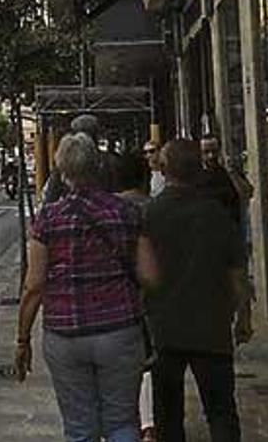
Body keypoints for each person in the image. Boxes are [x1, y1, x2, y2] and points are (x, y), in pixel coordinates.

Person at [16, 133, 159, 442]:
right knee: (122, 421)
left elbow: (34, 285)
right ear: (97, 166)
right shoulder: (127, 213)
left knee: (80, 428)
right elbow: (149, 275)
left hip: (65, 333)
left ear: (62, 172)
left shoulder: (48, 219)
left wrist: (22, 338)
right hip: (119, 330)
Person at [146, 140, 252, 442]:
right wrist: (243, 317)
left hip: (165, 330)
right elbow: (237, 274)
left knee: (167, 415)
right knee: (220, 412)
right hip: (212, 329)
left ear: (163, 170)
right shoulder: (216, 214)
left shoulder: (150, 213)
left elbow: (142, 273)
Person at [115, 152, 158, 442]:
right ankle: (150, 425)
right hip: (157, 301)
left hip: (121, 305)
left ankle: (140, 425)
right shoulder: (157, 209)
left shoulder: (111, 212)